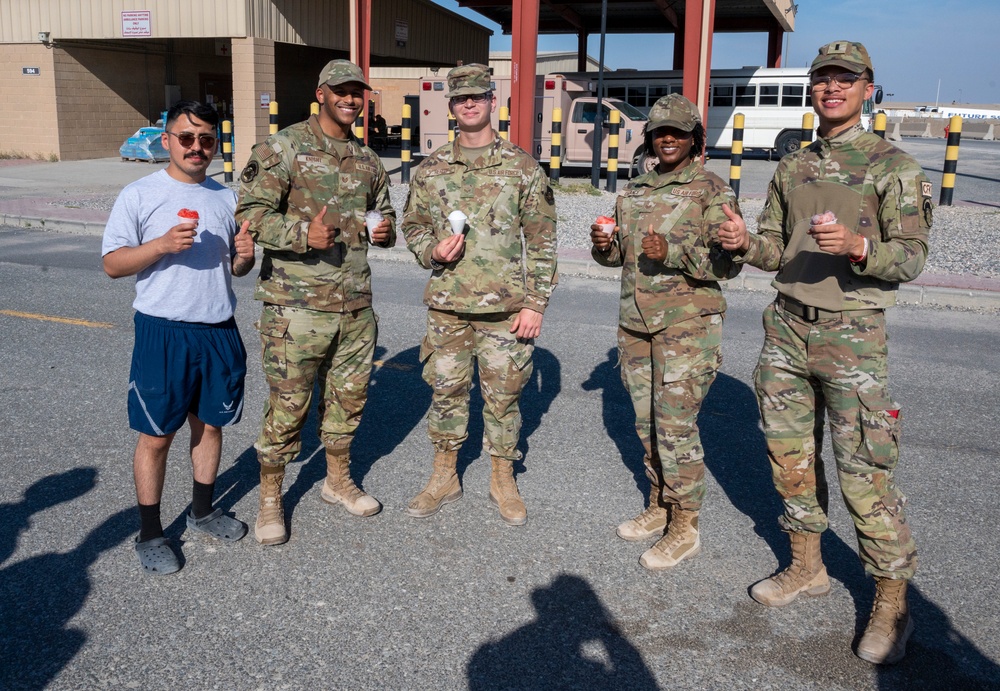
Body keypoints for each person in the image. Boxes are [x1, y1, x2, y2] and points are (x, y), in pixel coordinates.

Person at [718, 40, 932, 665]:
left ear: (868, 88)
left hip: (852, 335)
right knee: (790, 460)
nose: (832, 88)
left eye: (846, 79)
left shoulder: (895, 166)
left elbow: (913, 258)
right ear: (811, 90)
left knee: (865, 470)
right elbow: (774, 247)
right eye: (823, 80)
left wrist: (861, 249)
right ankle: (806, 565)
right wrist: (740, 241)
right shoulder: (793, 166)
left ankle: (892, 605)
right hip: (785, 327)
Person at [236, 59, 396, 546]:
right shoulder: (283, 147)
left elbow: (383, 214)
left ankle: (336, 480)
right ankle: (270, 498)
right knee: (289, 407)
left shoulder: (367, 160)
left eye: (357, 92)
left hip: (355, 305)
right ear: (321, 92)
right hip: (296, 306)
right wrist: (303, 233)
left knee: (348, 402)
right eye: (341, 91)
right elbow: (249, 216)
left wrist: (385, 231)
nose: (351, 99)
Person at [102, 100, 256, 575]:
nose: (196, 147)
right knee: (156, 435)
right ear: (166, 140)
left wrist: (245, 256)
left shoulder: (226, 198)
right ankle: (150, 532)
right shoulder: (140, 194)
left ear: (216, 144)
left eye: (206, 139)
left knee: (210, 425)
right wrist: (161, 245)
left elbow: (237, 269)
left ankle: (203, 510)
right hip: (162, 331)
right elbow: (112, 264)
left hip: (218, 329)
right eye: (186, 137)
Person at [401, 63, 557, 526]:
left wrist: (535, 302)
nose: (470, 104)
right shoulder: (430, 170)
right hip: (448, 306)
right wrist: (431, 248)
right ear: (450, 107)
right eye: (460, 98)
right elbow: (411, 225)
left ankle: (501, 477)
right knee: (446, 393)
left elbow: (543, 238)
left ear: (493, 102)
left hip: (504, 311)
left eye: (479, 96)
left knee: (504, 397)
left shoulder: (521, 167)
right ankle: (444, 475)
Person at [590, 94, 741, 570]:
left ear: (694, 137)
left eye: (677, 131)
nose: (668, 138)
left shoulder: (711, 190)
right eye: (660, 131)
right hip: (636, 323)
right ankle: (659, 503)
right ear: (650, 138)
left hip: (687, 326)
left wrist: (672, 251)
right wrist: (603, 247)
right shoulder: (633, 192)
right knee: (645, 423)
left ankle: (685, 524)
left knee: (676, 427)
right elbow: (621, 259)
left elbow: (729, 263)